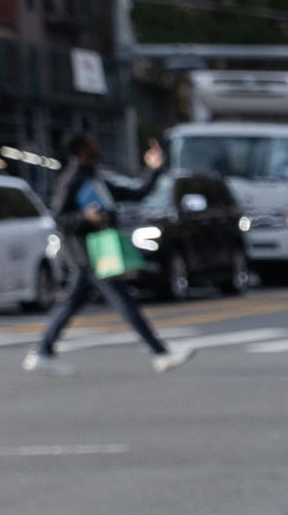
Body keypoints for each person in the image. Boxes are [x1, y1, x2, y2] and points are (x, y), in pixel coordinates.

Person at [28, 135, 179, 374]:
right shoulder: (73, 179)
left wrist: (154, 169)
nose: (97, 146)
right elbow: (58, 218)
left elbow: (137, 193)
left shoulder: (93, 176)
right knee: (124, 302)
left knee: (72, 303)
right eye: (91, 144)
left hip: (94, 253)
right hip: (90, 255)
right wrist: (85, 217)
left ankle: (42, 352)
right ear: (80, 150)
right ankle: (160, 353)